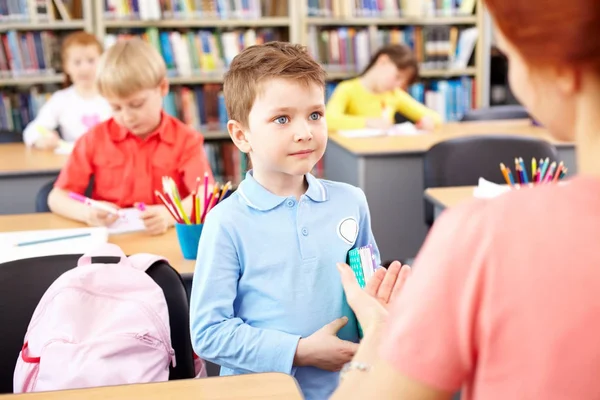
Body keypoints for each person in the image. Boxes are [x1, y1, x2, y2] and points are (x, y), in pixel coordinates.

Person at [331, 0, 600, 399]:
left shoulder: (484, 235)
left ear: (562, 71)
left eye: (511, 57)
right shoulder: (352, 92)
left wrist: (376, 331)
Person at [189, 42, 382, 400]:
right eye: (282, 119)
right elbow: (209, 332)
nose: (304, 132)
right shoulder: (226, 222)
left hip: (347, 387)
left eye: (315, 115)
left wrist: (384, 307)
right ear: (241, 135)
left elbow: (369, 292)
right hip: (260, 392)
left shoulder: (351, 201)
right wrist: (300, 350)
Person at [48, 39, 213, 235]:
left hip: (167, 238)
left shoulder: (186, 139)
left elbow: (206, 195)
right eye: (116, 108)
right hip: (114, 242)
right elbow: (56, 197)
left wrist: (170, 215)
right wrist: (87, 213)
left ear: (162, 88)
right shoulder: (93, 139)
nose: (127, 116)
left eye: (136, 104)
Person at [23, 31, 111, 150]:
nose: (85, 68)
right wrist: (41, 140)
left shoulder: (113, 96)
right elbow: (32, 130)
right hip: (73, 161)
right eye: (77, 62)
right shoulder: (61, 99)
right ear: (66, 66)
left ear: (103, 62)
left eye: (91, 60)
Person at [325, 44, 442, 131]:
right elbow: (328, 121)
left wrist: (427, 121)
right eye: (397, 77)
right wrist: (367, 123)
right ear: (383, 61)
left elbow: (436, 118)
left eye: (403, 82)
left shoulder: (394, 94)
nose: (398, 85)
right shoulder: (347, 89)